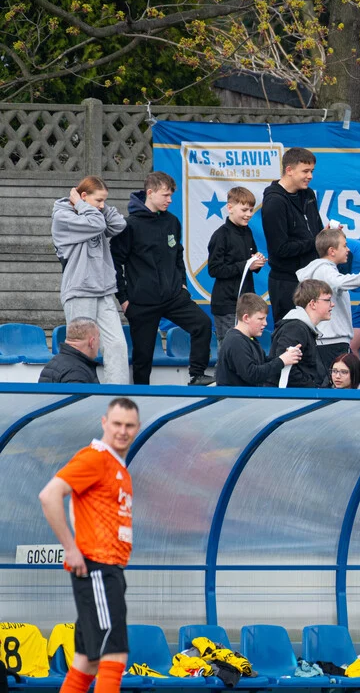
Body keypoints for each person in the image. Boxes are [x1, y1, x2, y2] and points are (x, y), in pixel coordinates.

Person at [37, 398, 142, 693]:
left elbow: (77, 505)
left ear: (137, 428)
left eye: (129, 425)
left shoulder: (117, 465)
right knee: (114, 655)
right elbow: (49, 495)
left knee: (86, 663)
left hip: (108, 569)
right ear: (104, 423)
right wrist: (71, 548)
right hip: (98, 568)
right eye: (117, 423)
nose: (122, 431)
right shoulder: (95, 457)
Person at [110, 172, 214, 386]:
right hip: (142, 302)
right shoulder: (129, 226)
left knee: (202, 324)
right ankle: (140, 398)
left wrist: (182, 284)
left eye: (171, 195)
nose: (170, 200)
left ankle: (197, 375)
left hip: (173, 296)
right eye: (165, 195)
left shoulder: (172, 222)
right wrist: (123, 299)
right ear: (150, 193)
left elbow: (178, 255)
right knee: (143, 357)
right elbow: (114, 263)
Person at [51, 176, 129, 384]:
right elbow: (96, 224)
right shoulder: (63, 217)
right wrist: (82, 205)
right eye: (99, 200)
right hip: (80, 290)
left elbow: (119, 224)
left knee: (117, 345)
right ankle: (81, 391)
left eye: (105, 201)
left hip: (103, 290)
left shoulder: (94, 214)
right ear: (83, 196)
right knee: (82, 346)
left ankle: (117, 395)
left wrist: (95, 205)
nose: (102, 206)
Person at [296, 228, 360, 367]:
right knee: (335, 379)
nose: (348, 249)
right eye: (344, 245)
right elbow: (340, 282)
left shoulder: (324, 270)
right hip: (331, 342)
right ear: (332, 251)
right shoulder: (325, 270)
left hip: (331, 340)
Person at [262, 147, 323, 326]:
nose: (310, 176)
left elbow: (316, 230)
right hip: (286, 282)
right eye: (305, 171)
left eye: (312, 171)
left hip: (311, 279)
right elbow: (280, 249)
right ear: (289, 170)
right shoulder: (274, 202)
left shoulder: (308, 194)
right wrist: (315, 243)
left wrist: (326, 236)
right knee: (289, 333)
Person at [207, 186, 265, 344]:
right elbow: (214, 269)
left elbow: (250, 259)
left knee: (247, 345)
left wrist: (257, 261)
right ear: (230, 207)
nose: (248, 214)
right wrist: (246, 265)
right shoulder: (221, 235)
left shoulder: (247, 232)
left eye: (251, 210)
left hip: (246, 303)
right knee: (229, 346)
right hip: (226, 304)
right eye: (244, 210)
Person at [215, 294, 301, 386]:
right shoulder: (236, 341)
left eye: (265, 319)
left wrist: (286, 356)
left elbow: (262, 363)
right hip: (234, 395)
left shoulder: (249, 339)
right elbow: (252, 374)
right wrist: (281, 361)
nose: (265, 323)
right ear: (246, 318)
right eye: (260, 319)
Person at [268, 279, 333, 388]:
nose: (332, 304)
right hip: (288, 396)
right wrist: (312, 388)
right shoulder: (295, 328)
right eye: (328, 300)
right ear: (313, 304)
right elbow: (284, 366)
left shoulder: (302, 328)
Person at [40, 317, 101, 384]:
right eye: (98, 337)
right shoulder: (77, 373)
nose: (99, 343)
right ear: (92, 342)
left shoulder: (53, 363)